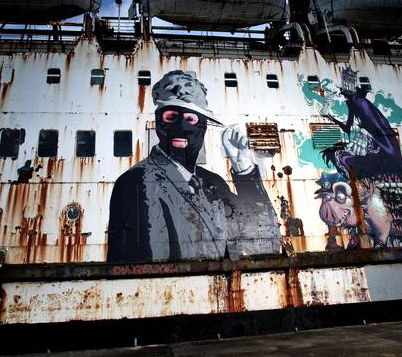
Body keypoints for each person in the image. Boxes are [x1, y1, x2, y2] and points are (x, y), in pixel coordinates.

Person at [107, 70, 280, 263]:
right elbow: (149, 274)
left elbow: (265, 243)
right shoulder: (136, 183)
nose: (181, 127)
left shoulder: (213, 183)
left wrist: (244, 169)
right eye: (171, 117)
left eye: (190, 119)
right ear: (157, 122)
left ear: (203, 126)